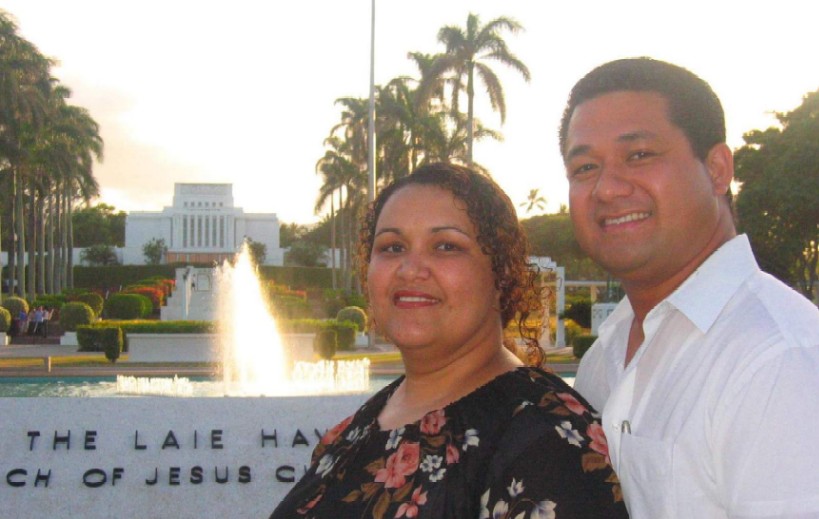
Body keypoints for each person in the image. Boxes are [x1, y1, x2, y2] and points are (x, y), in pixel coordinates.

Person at [270, 163, 627, 518]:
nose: (410, 269)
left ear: (501, 275)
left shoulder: (544, 441)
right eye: (392, 247)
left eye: (445, 246)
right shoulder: (360, 427)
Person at [560, 57, 819, 518]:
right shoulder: (607, 355)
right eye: (584, 168)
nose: (607, 188)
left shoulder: (778, 359)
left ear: (717, 169)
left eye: (638, 155)